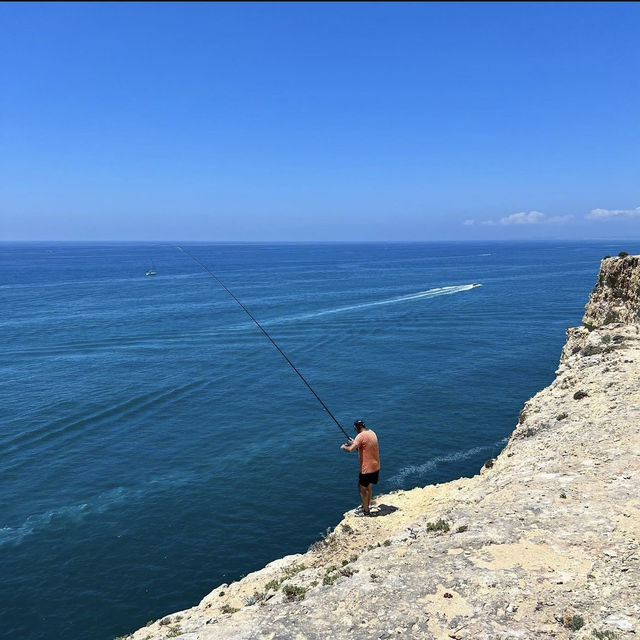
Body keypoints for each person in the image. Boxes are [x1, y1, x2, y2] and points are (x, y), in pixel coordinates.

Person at [340, 419, 380, 516]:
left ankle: (366, 511)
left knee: (362, 488)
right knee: (368, 486)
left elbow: (351, 450)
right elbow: (365, 445)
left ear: (356, 428)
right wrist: (354, 442)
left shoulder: (360, 436)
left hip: (366, 468)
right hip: (376, 466)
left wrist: (344, 447)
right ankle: (367, 504)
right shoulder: (371, 432)